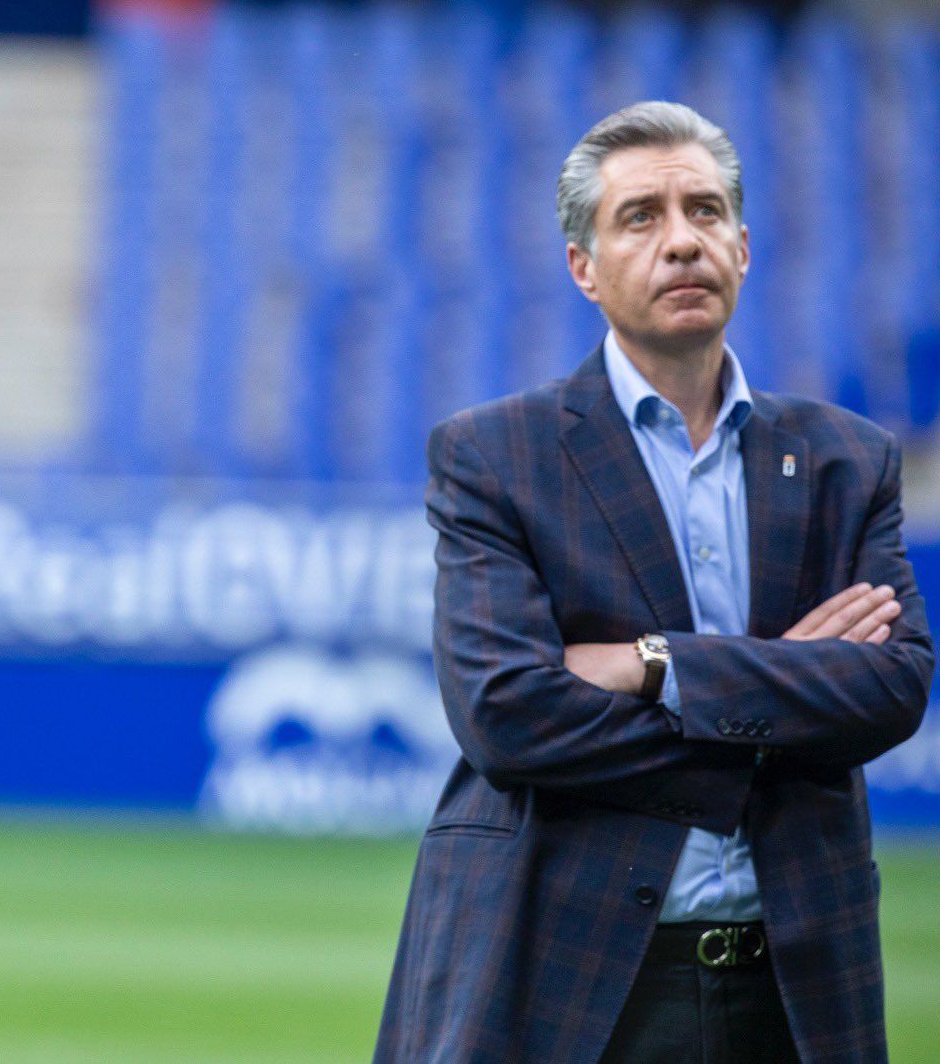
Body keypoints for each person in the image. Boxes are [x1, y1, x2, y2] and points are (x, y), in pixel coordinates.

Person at [373, 102, 932, 1063]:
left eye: (706, 212)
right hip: (567, 969)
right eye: (641, 217)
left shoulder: (847, 459)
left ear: (745, 249)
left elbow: (889, 689)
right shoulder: (495, 454)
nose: (682, 241)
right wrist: (779, 692)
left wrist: (655, 664)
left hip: (798, 984)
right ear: (583, 267)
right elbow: (509, 714)